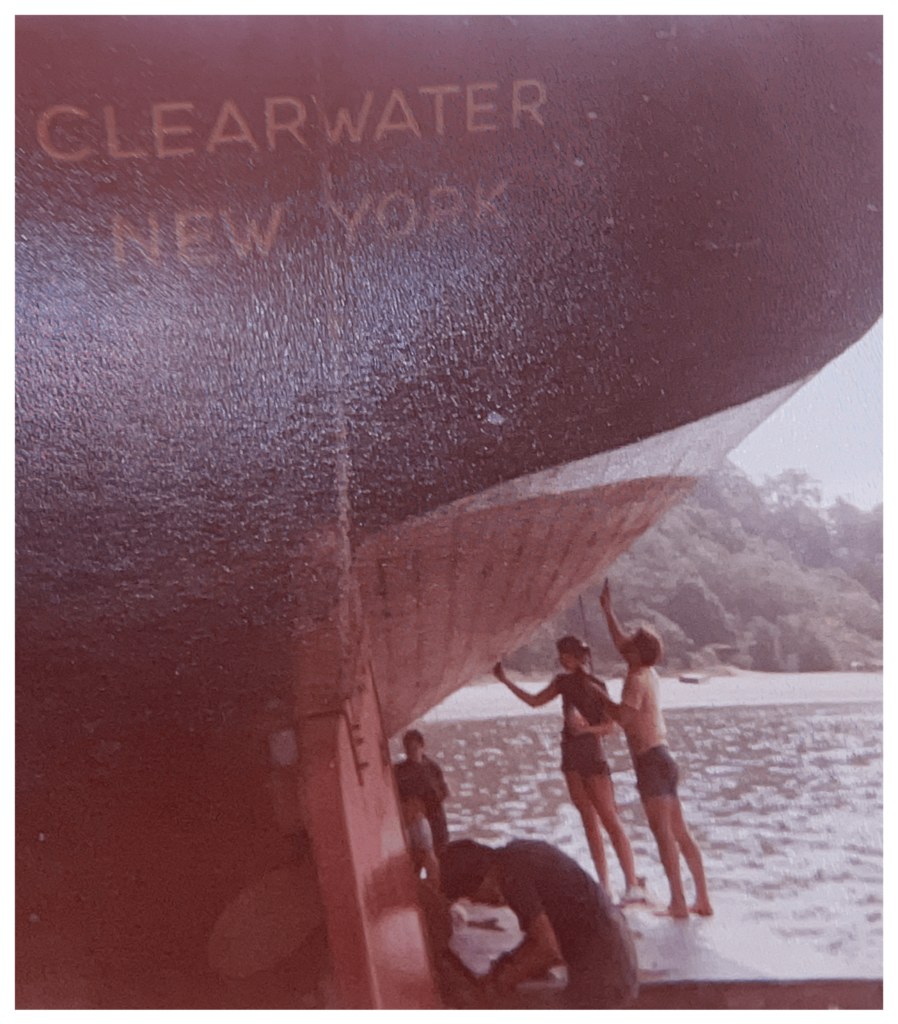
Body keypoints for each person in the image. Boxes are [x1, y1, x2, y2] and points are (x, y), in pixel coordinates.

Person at [595, 579, 714, 919]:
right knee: (681, 833)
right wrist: (608, 611)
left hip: (649, 761)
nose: (624, 648)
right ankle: (702, 900)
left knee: (663, 835)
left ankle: (678, 902)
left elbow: (624, 719)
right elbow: (622, 643)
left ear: (636, 653)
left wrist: (601, 699)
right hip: (664, 757)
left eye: (630, 646)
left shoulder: (635, 679)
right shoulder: (649, 672)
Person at [492, 642, 642, 900]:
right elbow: (534, 701)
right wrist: (505, 681)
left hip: (591, 756)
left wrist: (585, 730)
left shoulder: (596, 685)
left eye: (566, 655)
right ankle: (605, 886)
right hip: (572, 756)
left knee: (609, 820)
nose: (562, 659)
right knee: (590, 822)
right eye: (561, 655)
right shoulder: (563, 682)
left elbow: (610, 727)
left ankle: (632, 885)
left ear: (576, 658)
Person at [439, 838, 638, 1008]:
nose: (476, 903)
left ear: (482, 879)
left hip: (607, 961)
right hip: (613, 944)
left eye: (471, 897)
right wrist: (505, 968)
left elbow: (547, 949)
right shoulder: (514, 856)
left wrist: (498, 983)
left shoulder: (511, 878)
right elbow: (542, 941)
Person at [394, 730, 450, 885]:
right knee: (418, 860)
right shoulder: (400, 771)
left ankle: (438, 888)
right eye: (408, 748)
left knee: (438, 858)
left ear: (422, 746)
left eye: (414, 747)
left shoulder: (432, 768)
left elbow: (442, 793)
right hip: (415, 821)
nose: (411, 752)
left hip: (435, 821)